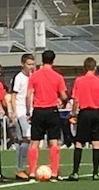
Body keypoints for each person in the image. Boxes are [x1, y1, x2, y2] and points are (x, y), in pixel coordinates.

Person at [26, 50, 68, 182]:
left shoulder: (34, 76)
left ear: (42, 60)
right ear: (53, 61)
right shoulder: (58, 77)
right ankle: (54, 173)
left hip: (38, 111)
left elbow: (28, 95)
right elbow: (64, 96)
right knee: (54, 142)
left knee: (34, 142)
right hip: (52, 111)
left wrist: (28, 112)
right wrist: (63, 102)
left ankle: (31, 173)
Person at [67, 57, 99, 181]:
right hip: (96, 112)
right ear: (95, 68)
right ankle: (95, 173)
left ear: (84, 68)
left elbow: (76, 99)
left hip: (84, 113)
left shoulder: (79, 81)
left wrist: (73, 114)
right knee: (96, 142)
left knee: (79, 142)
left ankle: (75, 172)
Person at [9, 53, 35, 181]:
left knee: (24, 141)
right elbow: (13, 95)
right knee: (27, 138)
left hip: (31, 111)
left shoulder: (33, 76)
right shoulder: (19, 77)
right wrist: (14, 111)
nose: (31, 67)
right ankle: (20, 169)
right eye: (29, 64)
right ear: (23, 64)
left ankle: (20, 169)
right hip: (21, 112)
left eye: (32, 64)